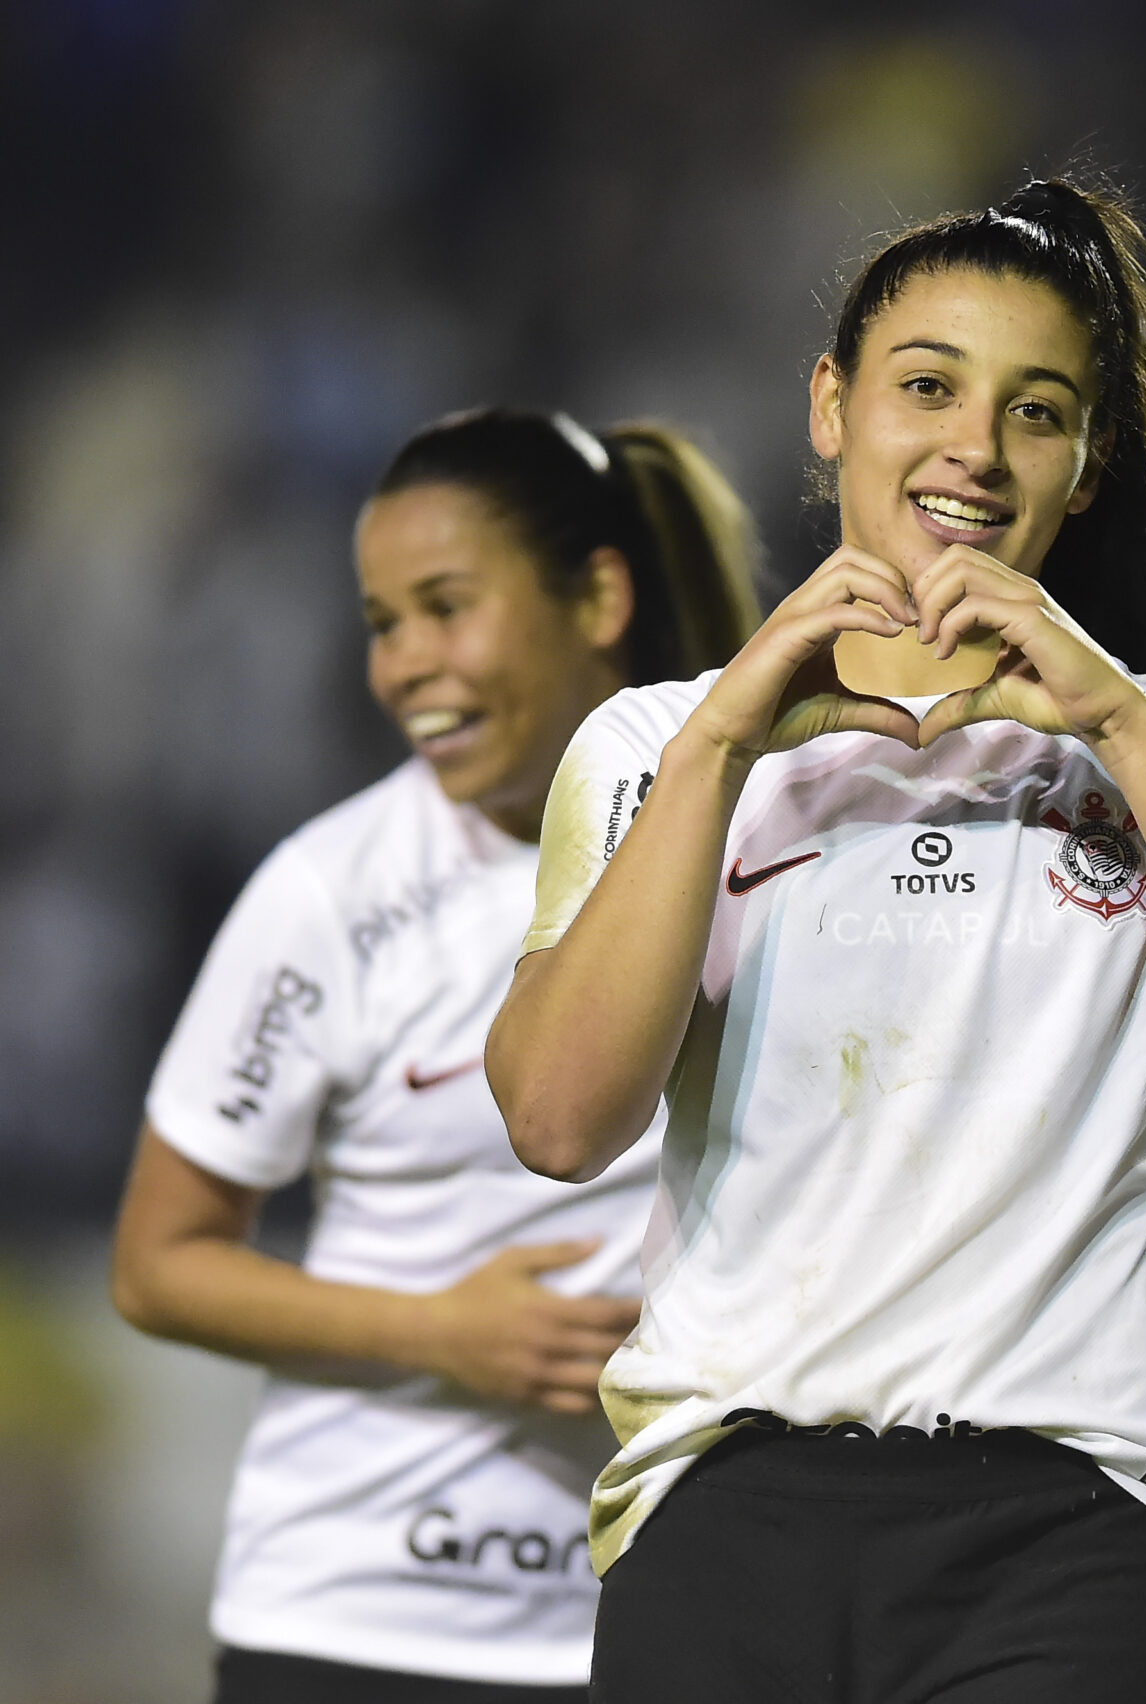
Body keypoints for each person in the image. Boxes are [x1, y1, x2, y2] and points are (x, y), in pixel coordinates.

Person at [486, 178, 1146, 1704]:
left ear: (1094, 460)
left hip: (1075, 1519)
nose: (975, 448)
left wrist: (1111, 709)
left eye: (1035, 412)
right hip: (724, 1505)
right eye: (927, 387)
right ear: (831, 406)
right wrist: (727, 739)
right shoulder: (661, 741)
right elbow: (558, 1117)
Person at [112, 408, 763, 1702]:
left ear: (599, 596)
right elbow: (158, 1262)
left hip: (664, 1616)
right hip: (356, 1620)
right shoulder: (329, 893)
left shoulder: (772, 838)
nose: (403, 664)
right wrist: (443, 1332)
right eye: (381, 621)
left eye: (444, 607)